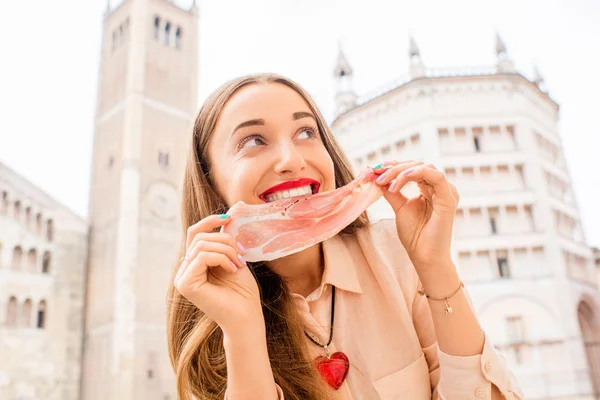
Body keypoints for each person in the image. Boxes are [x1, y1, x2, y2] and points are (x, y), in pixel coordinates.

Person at [167, 73, 523, 400]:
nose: (291, 159)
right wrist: (242, 331)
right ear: (210, 183)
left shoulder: (394, 254)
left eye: (306, 133)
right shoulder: (208, 315)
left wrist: (435, 267)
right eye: (253, 140)